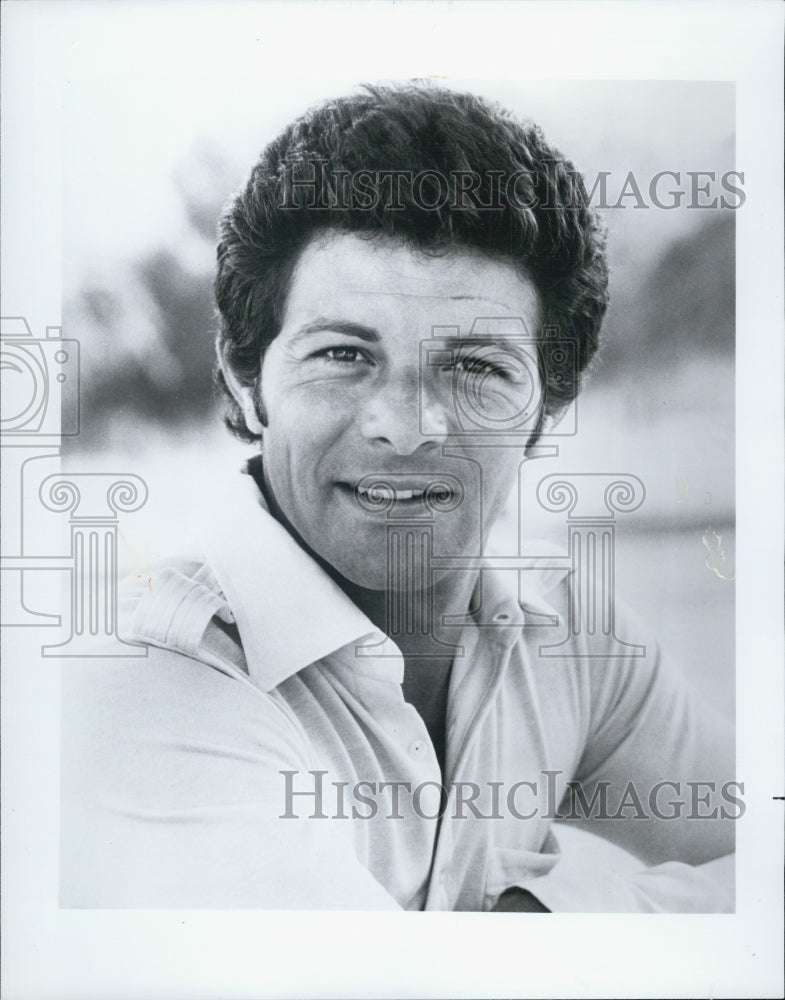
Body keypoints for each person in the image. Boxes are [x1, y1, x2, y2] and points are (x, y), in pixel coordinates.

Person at [61, 83, 736, 911]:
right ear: (245, 380)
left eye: (476, 366)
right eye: (344, 355)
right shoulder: (148, 678)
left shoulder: (565, 630)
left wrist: (544, 915)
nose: (407, 426)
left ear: (547, 407)